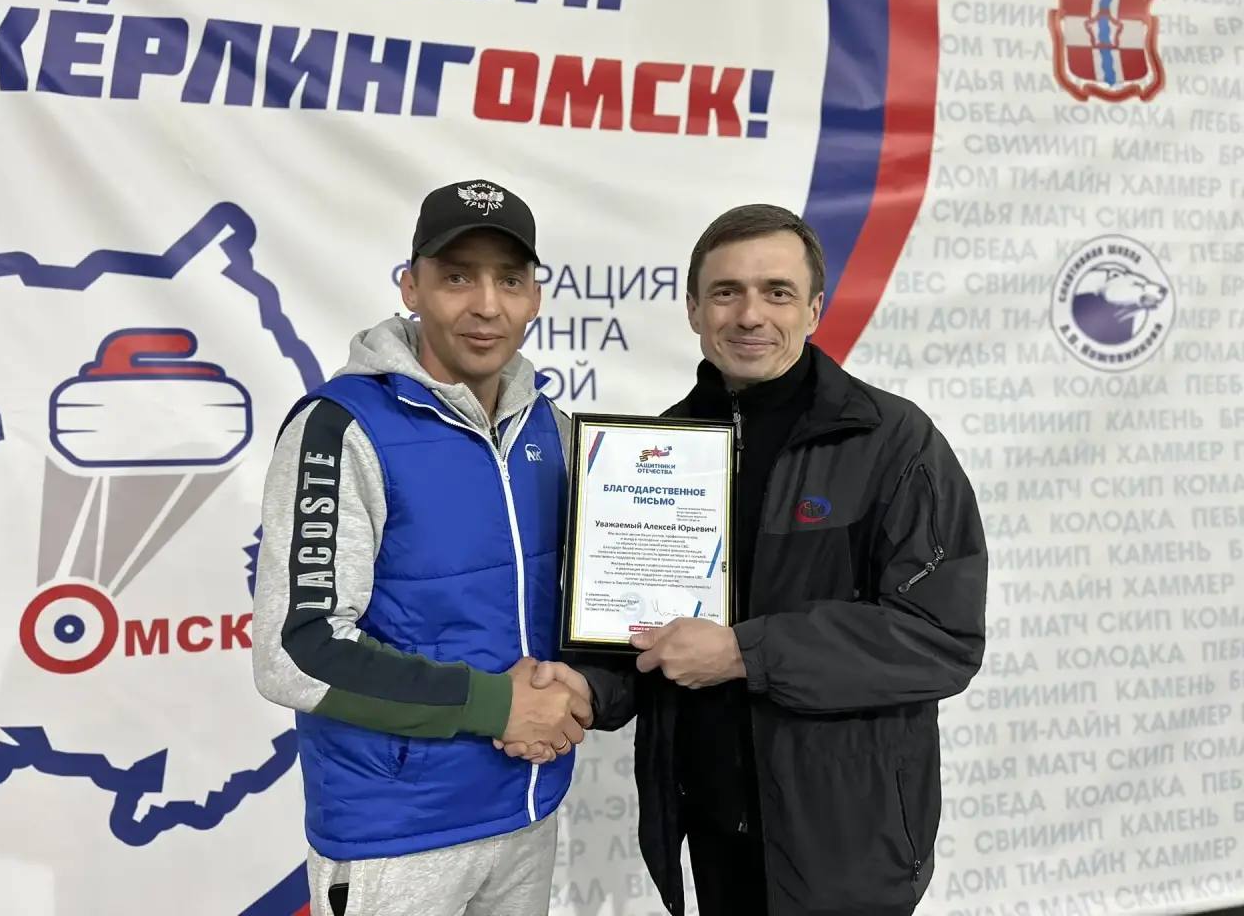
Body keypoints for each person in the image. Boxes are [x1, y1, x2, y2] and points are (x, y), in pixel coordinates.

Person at [516, 204, 988, 915]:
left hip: (848, 838)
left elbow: (939, 638)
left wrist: (746, 652)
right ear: (693, 309)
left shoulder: (894, 443)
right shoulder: (655, 452)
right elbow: (641, 629)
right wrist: (585, 687)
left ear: (814, 309)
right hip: (712, 827)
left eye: (777, 291)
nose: (749, 315)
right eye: (726, 292)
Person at [251, 178, 592, 916]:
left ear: (536, 296)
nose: (487, 305)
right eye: (457, 277)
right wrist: (497, 705)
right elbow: (297, 650)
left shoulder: (552, 429)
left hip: (526, 804)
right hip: (397, 833)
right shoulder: (342, 426)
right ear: (411, 286)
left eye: (510, 280)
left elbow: (590, 597)